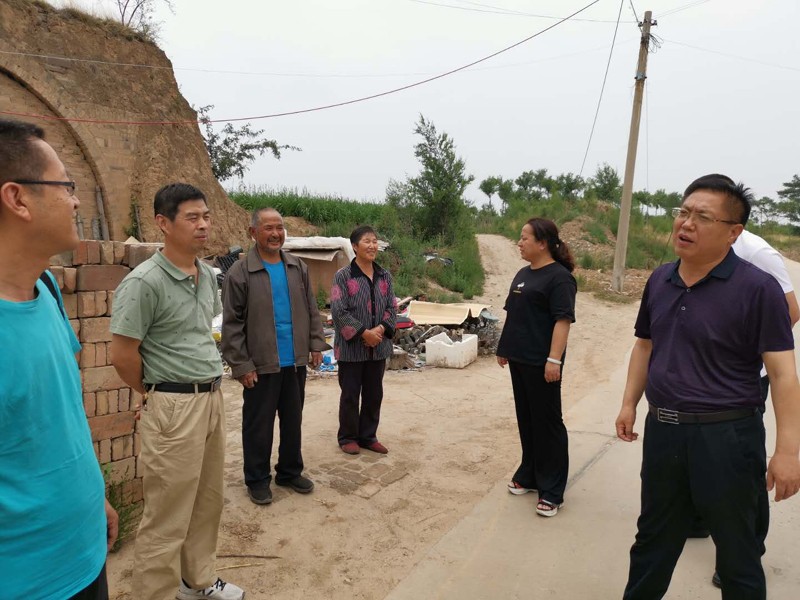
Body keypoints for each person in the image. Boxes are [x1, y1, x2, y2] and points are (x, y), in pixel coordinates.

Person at [615, 174, 800, 599]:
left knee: (737, 553)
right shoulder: (660, 279)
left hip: (727, 438)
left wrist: (787, 452)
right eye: (683, 212)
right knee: (652, 542)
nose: (686, 223)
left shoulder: (758, 289)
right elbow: (644, 345)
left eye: (702, 217)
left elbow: (784, 375)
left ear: (733, 232)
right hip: (664, 432)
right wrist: (629, 403)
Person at [0, 118, 118, 599]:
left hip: (85, 550)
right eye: (66, 186)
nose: (76, 201)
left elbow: (60, 417)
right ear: (17, 199)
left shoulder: (46, 288)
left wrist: (95, 496)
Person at [109, 183, 244, 600]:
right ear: (163, 223)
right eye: (192, 217)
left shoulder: (206, 275)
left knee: (207, 501)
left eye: (206, 216)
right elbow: (123, 355)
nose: (203, 225)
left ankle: (196, 581)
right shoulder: (144, 282)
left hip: (211, 397)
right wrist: (151, 392)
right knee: (167, 514)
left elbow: (200, 332)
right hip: (173, 405)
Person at [221, 207, 327, 505]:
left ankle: (289, 471)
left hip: (294, 361)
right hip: (260, 363)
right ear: (253, 232)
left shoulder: (296, 267)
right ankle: (257, 478)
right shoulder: (240, 272)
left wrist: (315, 344)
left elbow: (311, 309)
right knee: (259, 424)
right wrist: (242, 364)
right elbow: (232, 324)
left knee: (293, 420)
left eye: (279, 227)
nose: (276, 233)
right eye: (268, 228)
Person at [496, 217, 577, 518]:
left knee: (548, 424)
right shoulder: (523, 274)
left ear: (542, 243)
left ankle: (552, 490)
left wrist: (554, 359)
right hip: (519, 359)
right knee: (527, 419)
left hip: (542, 363)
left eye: (524, 238)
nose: (519, 243)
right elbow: (514, 315)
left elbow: (562, 320)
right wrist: (504, 348)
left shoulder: (560, 278)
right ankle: (529, 474)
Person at [331, 225, 396, 455]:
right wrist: (364, 333)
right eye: (367, 241)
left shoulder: (384, 276)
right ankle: (348, 437)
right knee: (350, 394)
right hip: (352, 349)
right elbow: (339, 311)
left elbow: (392, 307)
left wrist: (379, 330)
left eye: (375, 241)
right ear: (355, 247)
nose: (372, 245)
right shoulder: (343, 276)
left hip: (378, 347)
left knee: (374, 394)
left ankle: (368, 436)